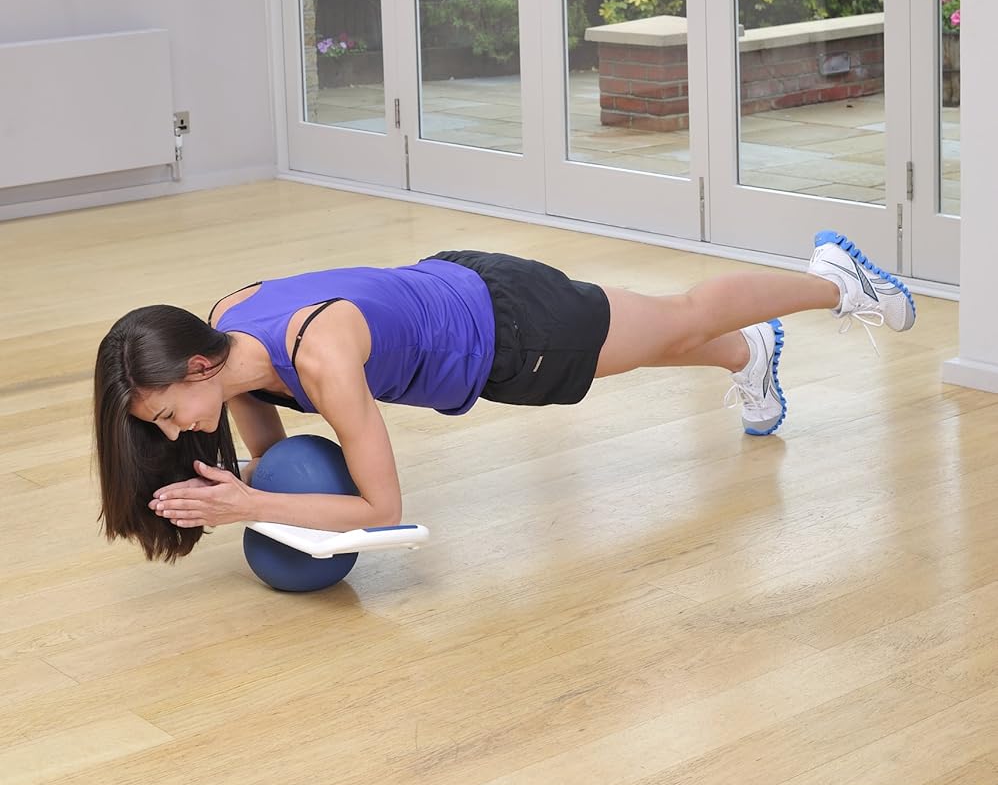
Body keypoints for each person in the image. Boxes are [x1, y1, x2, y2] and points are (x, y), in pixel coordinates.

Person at [93, 230, 915, 562]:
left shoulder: (324, 358)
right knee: (636, 352)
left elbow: (380, 509)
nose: (176, 433)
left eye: (168, 414)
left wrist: (245, 509)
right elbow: (283, 464)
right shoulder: (228, 328)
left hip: (511, 331)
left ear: (197, 370)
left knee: (674, 318)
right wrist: (254, 494)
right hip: (464, 294)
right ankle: (750, 354)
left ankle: (831, 284)